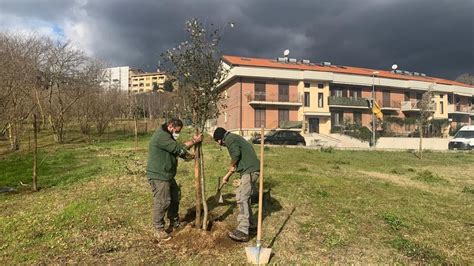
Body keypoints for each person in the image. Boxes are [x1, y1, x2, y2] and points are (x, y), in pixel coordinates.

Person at [146, 118, 202, 241]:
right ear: (171, 126)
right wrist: (193, 144)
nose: (177, 133)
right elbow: (178, 149)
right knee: (163, 201)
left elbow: (177, 149)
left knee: (175, 196)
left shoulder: (167, 134)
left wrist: (190, 151)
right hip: (159, 175)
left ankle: (174, 222)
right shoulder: (161, 136)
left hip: (167, 175)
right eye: (177, 131)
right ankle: (158, 229)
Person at [213, 127, 260, 242]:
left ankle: (243, 231)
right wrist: (227, 175)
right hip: (249, 170)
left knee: (242, 197)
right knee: (242, 195)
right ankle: (251, 225)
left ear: (219, 140)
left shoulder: (230, 139)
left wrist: (232, 164)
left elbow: (236, 154)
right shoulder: (233, 137)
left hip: (249, 171)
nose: (220, 144)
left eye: (218, 142)